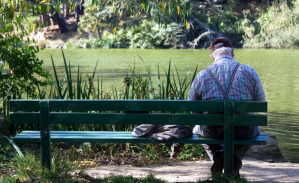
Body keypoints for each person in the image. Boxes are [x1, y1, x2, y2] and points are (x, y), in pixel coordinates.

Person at [170, 37, 266, 178]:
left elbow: (193, 110)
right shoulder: (249, 71)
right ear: (232, 52)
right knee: (256, 128)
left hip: (213, 132)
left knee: (198, 128)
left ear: (212, 56)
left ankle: (218, 155)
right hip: (242, 131)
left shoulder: (202, 75)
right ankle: (234, 159)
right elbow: (259, 102)